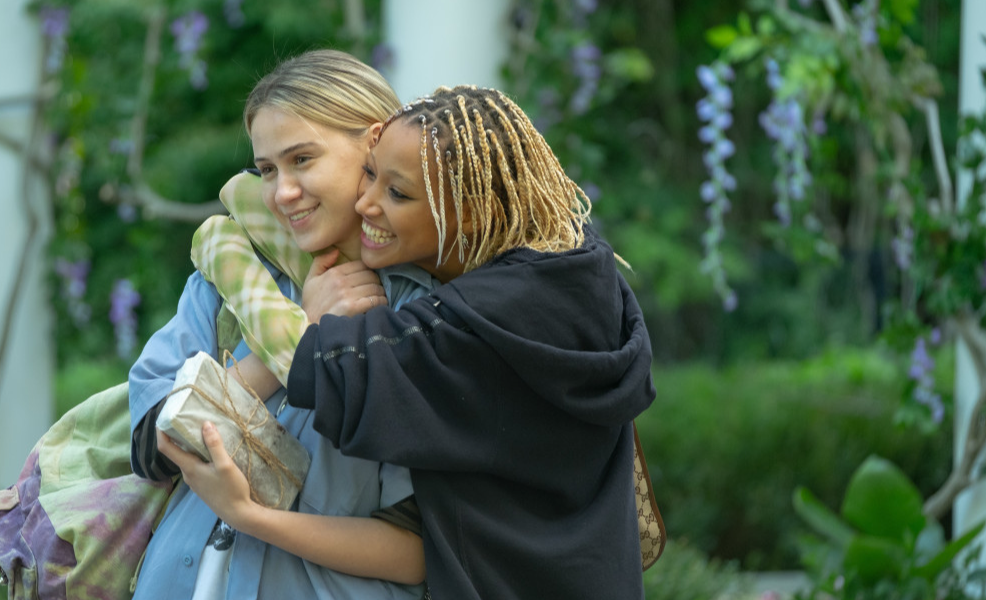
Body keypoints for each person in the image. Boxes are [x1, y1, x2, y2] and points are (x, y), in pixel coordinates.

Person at [196, 85, 656, 599]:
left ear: (471, 212)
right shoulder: (581, 271)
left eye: (399, 194)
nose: (364, 203)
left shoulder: (471, 333)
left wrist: (222, 244)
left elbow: (321, 366)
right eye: (370, 172)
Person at [127, 49, 434, 599]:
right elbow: (153, 446)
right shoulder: (229, 275)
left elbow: (416, 550)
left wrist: (251, 516)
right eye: (267, 169)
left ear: (374, 144)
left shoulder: (419, 314)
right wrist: (294, 333)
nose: (281, 192)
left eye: (302, 160)